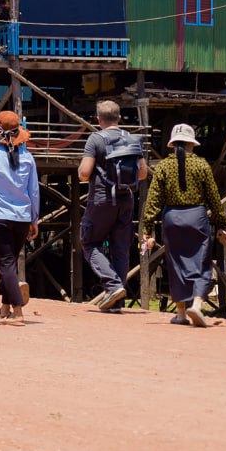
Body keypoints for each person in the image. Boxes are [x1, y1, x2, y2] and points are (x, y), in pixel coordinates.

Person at [141, 124, 226, 328]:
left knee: (176, 264)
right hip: (197, 217)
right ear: (192, 143)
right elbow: (214, 198)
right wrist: (220, 225)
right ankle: (197, 304)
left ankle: (181, 313)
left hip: (172, 218)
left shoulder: (163, 166)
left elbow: (153, 198)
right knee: (201, 261)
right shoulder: (202, 165)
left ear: (172, 144)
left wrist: (148, 228)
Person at [78, 100, 149, 311]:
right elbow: (143, 173)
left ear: (98, 119)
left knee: (89, 243)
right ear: (119, 117)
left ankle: (113, 285)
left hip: (101, 200)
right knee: (121, 250)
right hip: (126, 199)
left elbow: (84, 174)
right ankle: (117, 301)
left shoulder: (95, 139)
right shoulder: (133, 138)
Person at [0, 111, 40, 325]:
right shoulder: (28, 157)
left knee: (5, 263)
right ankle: (5, 306)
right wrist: (34, 219)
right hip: (22, 217)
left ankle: (18, 312)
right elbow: (34, 192)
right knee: (10, 262)